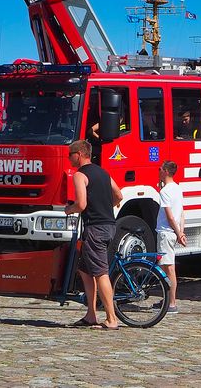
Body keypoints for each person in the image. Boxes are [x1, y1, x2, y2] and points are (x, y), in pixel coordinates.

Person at [63, 139, 123, 330]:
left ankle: (112, 319)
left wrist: (68, 210)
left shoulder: (80, 175)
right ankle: (91, 314)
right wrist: (106, 208)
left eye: (70, 155)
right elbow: (119, 195)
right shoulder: (103, 172)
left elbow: (81, 204)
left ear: (78, 155)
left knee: (100, 272)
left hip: (95, 228)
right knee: (85, 269)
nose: (69, 158)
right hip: (109, 225)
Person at [155, 160, 187, 313]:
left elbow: (169, 217)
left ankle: (171, 303)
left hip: (166, 232)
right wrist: (181, 231)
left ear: (166, 171)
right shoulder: (177, 188)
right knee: (166, 268)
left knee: (168, 269)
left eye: (160, 169)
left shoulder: (165, 191)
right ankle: (167, 299)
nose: (159, 171)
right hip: (172, 232)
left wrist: (178, 232)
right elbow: (181, 213)